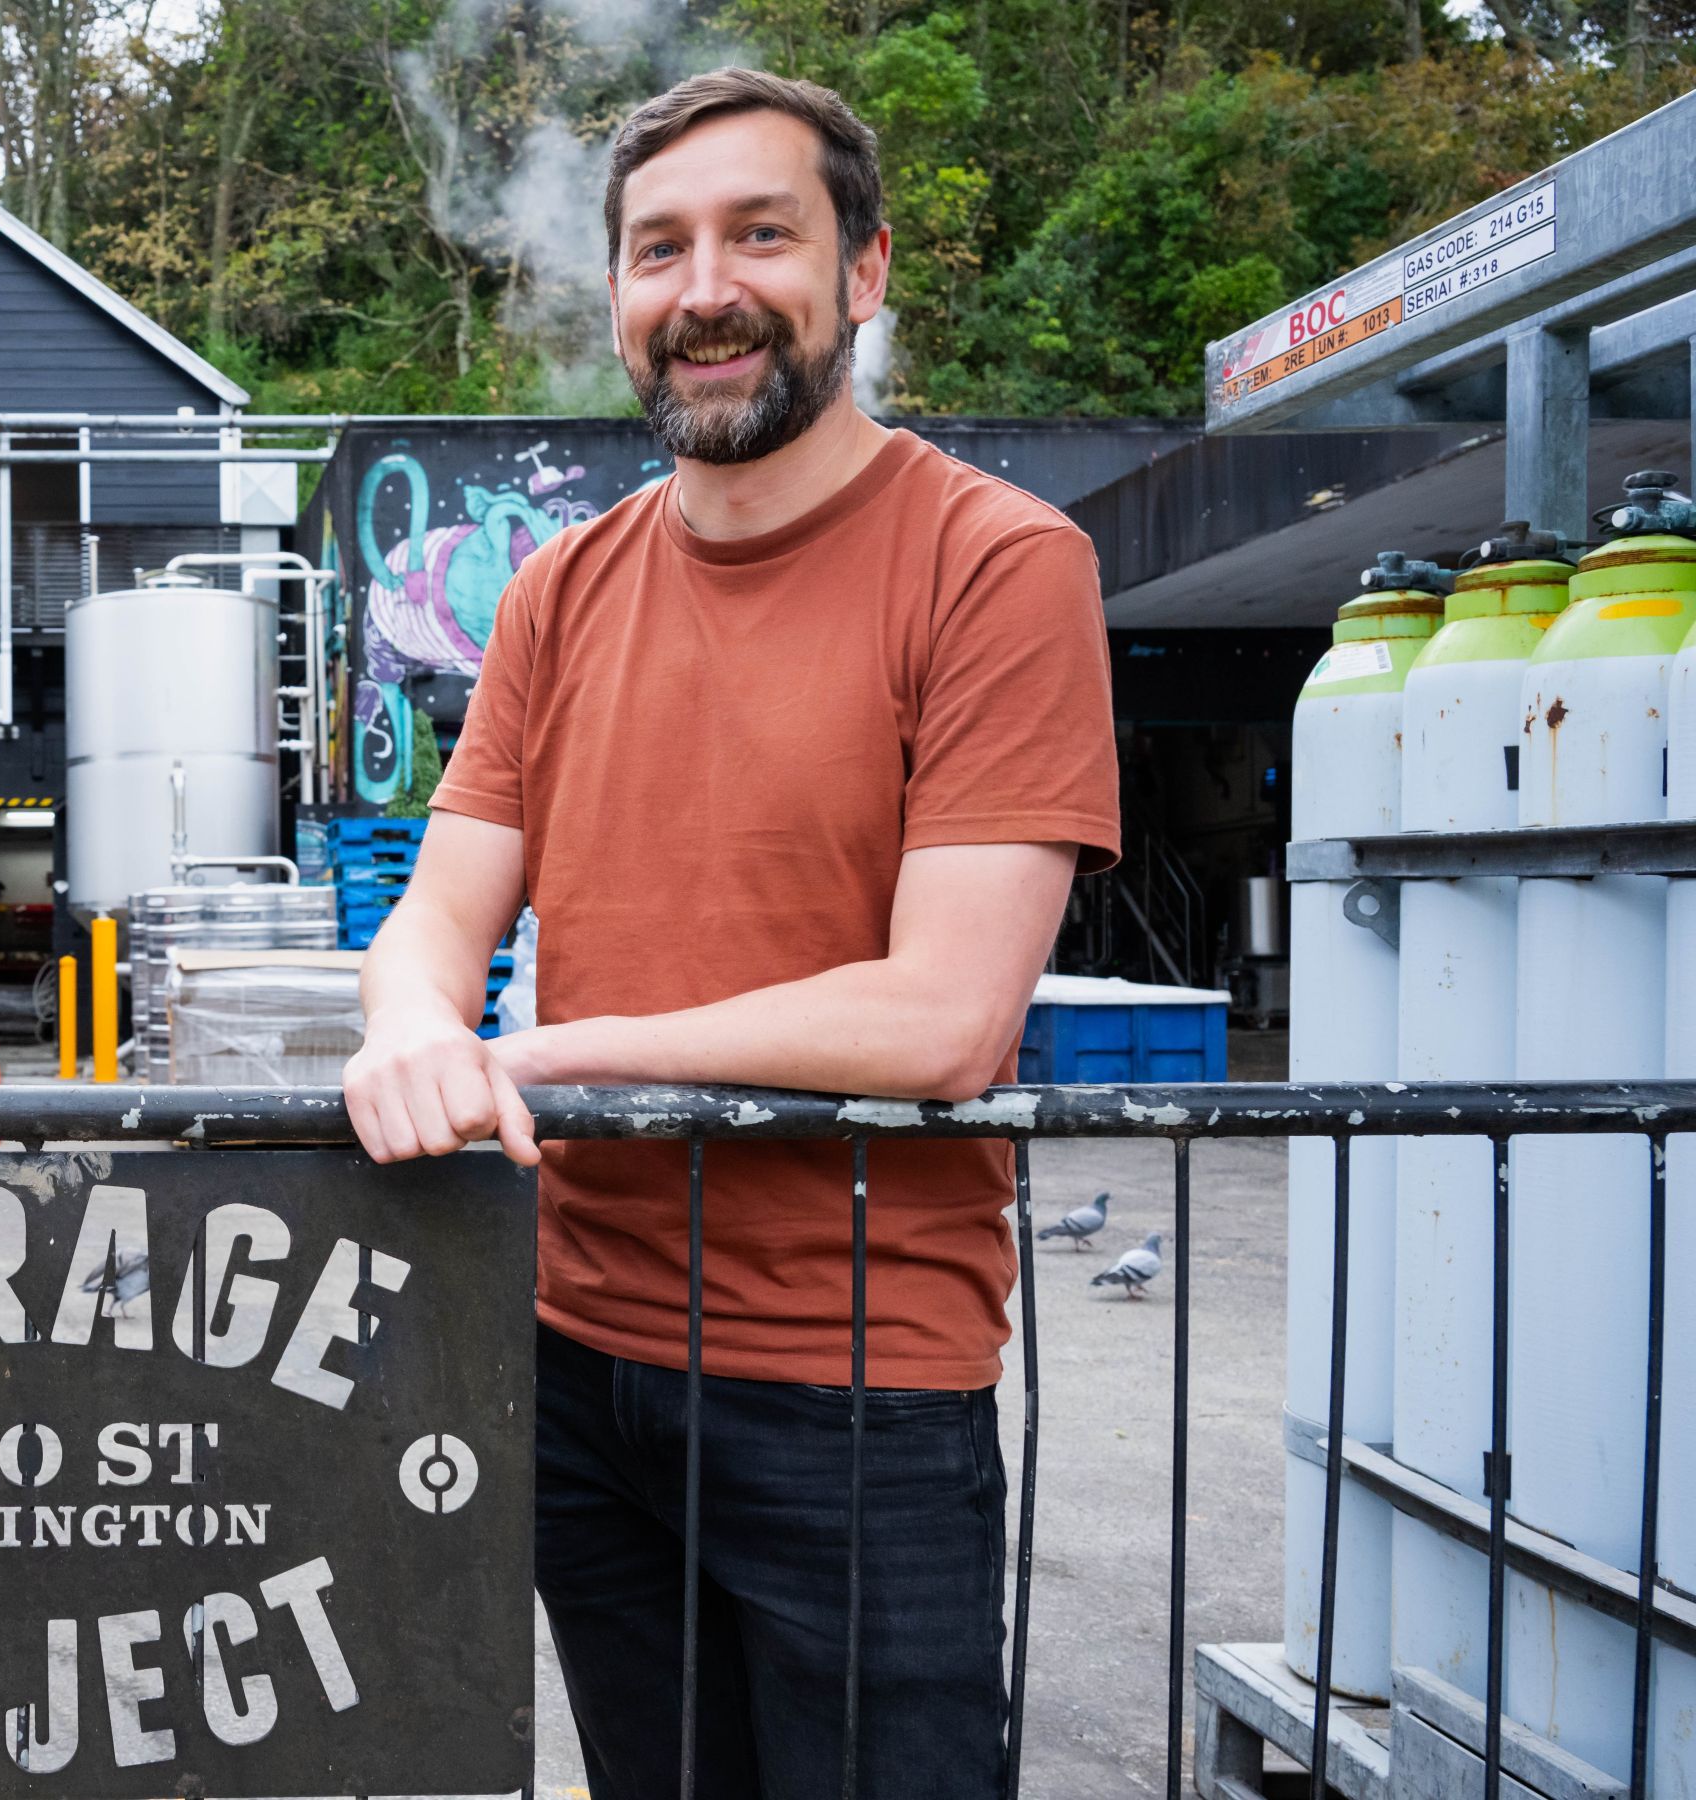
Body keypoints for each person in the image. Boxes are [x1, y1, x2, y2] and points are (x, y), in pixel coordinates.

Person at [341, 68, 1119, 1800]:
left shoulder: (998, 563)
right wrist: (408, 1025)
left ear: (863, 272)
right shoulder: (562, 586)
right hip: (577, 1359)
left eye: (761, 235)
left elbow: (943, 1020)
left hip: (856, 1386)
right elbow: (441, 907)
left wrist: (544, 1054)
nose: (705, 290)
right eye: (657, 250)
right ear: (618, 296)